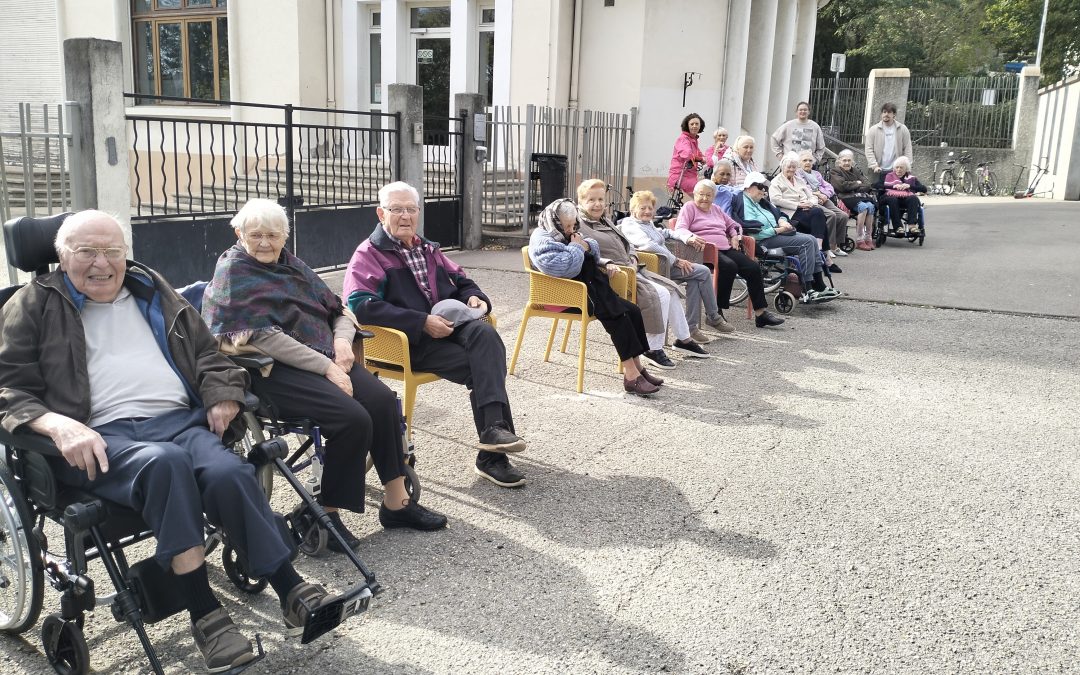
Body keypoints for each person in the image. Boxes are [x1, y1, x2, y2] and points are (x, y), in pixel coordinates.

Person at [0, 210, 347, 672]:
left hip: (179, 422)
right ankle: (206, 616)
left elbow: (207, 352)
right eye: (87, 252)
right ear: (62, 257)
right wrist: (56, 425)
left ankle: (292, 590)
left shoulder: (150, 287)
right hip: (99, 438)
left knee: (228, 470)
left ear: (126, 255)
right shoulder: (32, 303)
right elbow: (8, 388)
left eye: (112, 251)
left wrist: (222, 394)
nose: (101, 263)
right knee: (165, 464)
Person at [202, 198, 447, 546]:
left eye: (273, 235)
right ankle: (324, 514)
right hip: (272, 370)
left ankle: (397, 502)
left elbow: (338, 310)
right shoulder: (234, 273)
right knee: (352, 419)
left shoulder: (292, 265)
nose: (265, 243)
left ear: (285, 236)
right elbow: (263, 338)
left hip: (327, 356)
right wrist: (327, 366)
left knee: (381, 400)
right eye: (255, 235)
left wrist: (344, 343)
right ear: (239, 233)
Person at [343, 182, 528, 488]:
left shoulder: (427, 248)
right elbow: (361, 306)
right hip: (408, 343)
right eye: (396, 209)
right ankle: (492, 456)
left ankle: (494, 430)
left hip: (449, 332)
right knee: (486, 365)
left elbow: (461, 279)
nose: (405, 216)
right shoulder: (369, 254)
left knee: (485, 333)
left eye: (411, 209)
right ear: (381, 213)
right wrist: (421, 322)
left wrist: (475, 297)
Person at [528, 199, 662, 396]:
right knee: (617, 316)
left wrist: (585, 246)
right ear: (555, 221)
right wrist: (577, 247)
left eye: (573, 225)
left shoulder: (564, 232)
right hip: (566, 296)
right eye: (566, 226)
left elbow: (591, 246)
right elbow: (563, 267)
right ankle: (631, 376)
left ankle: (638, 367)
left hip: (589, 289)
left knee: (632, 311)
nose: (570, 229)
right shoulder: (542, 238)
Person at [576, 179, 709, 367]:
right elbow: (587, 254)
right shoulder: (580, 225)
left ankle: (683, 339)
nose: (597, 204)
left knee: (670, 290)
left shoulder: (605, 219)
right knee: (661, 293)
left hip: (633, 268)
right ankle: (652, 348)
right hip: (613, 276)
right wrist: (611, 263)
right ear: (581, 202)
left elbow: (627, 243)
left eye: (600, 199)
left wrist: (633, 257)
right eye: (591, 200)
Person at [616, 190, 732, 340]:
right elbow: (649, 245)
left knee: (695, 278)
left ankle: (691, 327)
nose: (647, 211)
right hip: (653, 268)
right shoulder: (630, 225)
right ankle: (712, 317)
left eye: (650, 208)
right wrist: (676, 260)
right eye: (642, 208)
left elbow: (666, 232)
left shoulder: (647, 223)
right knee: (702, 272)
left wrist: (687, 237)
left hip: (665, 264)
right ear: (633, 210)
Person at [675, 180, 785, 329]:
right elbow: (680, 228)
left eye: (709, 195)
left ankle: (761, 314)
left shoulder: (716, 209)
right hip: (702, 250)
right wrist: (691, 237)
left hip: (724, 248)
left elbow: (734, 225)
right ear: (694, 195)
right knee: (729, 266)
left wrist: (734, 236)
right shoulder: (689, 208)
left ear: (714, 196)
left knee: (753, 267)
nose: (705, 198)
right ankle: (715, 312)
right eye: (701, 195)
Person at [731, 172, 841, 304]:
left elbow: (779, 213)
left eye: (764, 187)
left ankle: (819, 284)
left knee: (811, 239)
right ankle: (808, 287)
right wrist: (778, 230)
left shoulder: (761, 202)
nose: (763, 190)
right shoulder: (744, 202)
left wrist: (782, 221)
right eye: (760, 187)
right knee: (806, 243)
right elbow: (753, 232)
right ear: (749, 187)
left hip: (777, 234)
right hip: (763, 241)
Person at [769, 153, 839, 272]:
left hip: (806, 209)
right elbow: (775, 199)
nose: (791, 169)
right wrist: (798, 205)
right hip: (789, 212)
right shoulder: (776, 181)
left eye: (794, 167)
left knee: (818, 214)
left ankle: (819, 251)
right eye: (789, 167)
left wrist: (810, 203)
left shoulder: (799, 180)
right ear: (782, 167)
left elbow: (811, 195)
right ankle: (824, 256)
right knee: (819, 215)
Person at [798, 149, 849, 262]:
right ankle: (828, 246)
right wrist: (818, 195)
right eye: (804, 160)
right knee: (831, 215)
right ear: (799, 162)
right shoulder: (798, 174)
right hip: (811, 200)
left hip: (823, 198)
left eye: (810, 160)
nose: (807, 163)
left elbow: (829, 187)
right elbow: (804, 189)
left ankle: (836, 245)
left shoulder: (816, 174)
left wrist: (824, 195)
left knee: (843, 215)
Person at [829, 149, 877, 251]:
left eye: (849, 160)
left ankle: (868, 238)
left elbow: (867, 184)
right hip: (844, 197)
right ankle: (860, 240)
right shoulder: (835, 171)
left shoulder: (856, 170)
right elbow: (842, 187)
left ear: (852, 161)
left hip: (859, 196)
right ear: (839, 161)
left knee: (871, 207)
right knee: (863, 207)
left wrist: (852, 185)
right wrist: (857, 183)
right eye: (844, 160)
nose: (847, 163)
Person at [864, 102, 913, 184]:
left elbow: (907, 148)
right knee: (878, 193)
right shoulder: (873, 130)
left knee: (896, 193)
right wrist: (874, 165)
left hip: (896, 170)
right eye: (884, 112)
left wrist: (908, 166)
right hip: (878, 170)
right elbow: (868, 149)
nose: (886, 114)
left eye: (889, 112)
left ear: (894, 115)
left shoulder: (902, 129)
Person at [878, 156, 926, 234]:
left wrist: (909, 186)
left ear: (906, 169)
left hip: (904, 199)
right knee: (893, 199)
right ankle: (898, 227)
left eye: (901, 168)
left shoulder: (911, 178)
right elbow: (876, 185)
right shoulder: (888, 175)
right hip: (888, 199)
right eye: (897, 167)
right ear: (894, 168)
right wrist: (892, 186)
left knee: (913, 198)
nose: (899, 169)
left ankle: (912, 226)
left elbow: (924, 189)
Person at [667, 112, 706, 198]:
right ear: (687, 126)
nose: (694, 126)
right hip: (680, 177)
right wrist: (701, 159)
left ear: (700, 126)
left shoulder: (693, 140)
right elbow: (687, 155)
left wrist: (705, 158)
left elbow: (699, 153)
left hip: (689, 176)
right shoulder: (683, 139)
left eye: (697, 124)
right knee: (704, 194)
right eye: (692, 124)